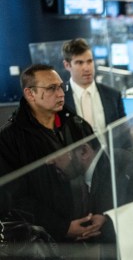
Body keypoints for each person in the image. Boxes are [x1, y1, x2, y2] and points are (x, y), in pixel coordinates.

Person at [0, 64, 102, 243]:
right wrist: (62, 227)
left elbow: (101, 170)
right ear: (30, 94)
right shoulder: (9, 139)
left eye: (61, 86)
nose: (61, 93)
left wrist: (103, 213)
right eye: (51, 88)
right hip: (51, 245)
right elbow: (14, 198)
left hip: (92, 231)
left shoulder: (77, 125)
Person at [62, 38, 126, 132]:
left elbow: (124, 135)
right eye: (79, 63)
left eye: (89, 61)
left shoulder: (113, 96)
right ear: (67, 65)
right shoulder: (61, 99)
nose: (86, 68)